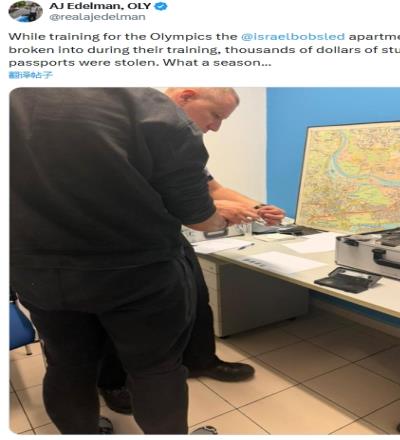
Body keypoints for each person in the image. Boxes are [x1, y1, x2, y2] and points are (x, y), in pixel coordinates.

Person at [9, 88, 236, 434]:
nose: (217, 126)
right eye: (216, 116)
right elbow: (198, 217)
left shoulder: (15, 101)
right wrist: (222, 219)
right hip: (138, 273)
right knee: (155, 370)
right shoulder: (148, 108)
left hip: (40, 271)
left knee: (67, 365)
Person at [97, 88, 286, 415]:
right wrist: (215, 211)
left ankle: (201, 360)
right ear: (186, 96)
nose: (216, 128)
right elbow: (134, 195)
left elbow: (212, 188)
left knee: (196, 297)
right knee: (118, 317)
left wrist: (257, 207)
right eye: (215, 115)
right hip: (119, 243)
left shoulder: (181, 143)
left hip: (169, 236)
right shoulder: (123, 128)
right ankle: (113, 381)